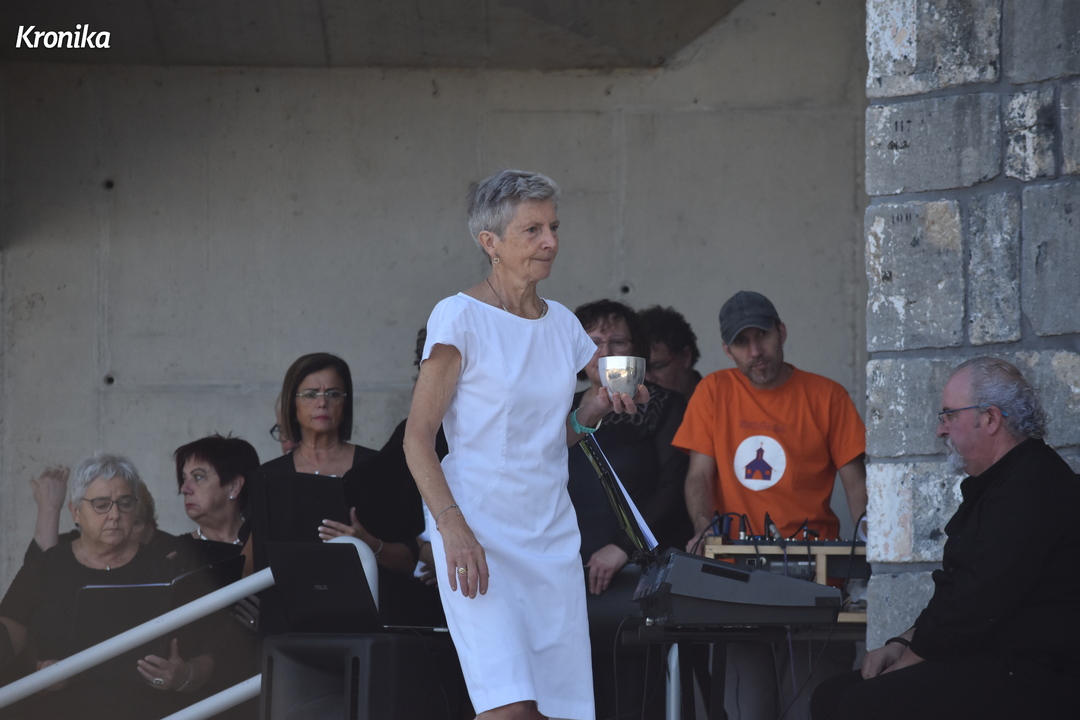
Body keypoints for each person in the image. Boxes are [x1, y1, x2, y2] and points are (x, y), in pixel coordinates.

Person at [403, 169, 648, 720]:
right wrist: (451, 529)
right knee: (508, 708)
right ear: (489, 242)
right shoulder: (459, 315)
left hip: (550, 534)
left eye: (554, 227)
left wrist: (596, 408)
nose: (550, 241)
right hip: (476, 532)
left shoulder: (563, 324)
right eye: (532, 230)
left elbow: (551, 436)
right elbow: (417, 440)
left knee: (555, 712)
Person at [811, 357, 1078, 719]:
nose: (940, 429)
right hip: (989, 660)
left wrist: (909, 660)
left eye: (949, 415)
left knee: (862, 704)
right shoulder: (999, 481)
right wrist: (903, 642)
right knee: (830, 696)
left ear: (990, 419)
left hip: (1033, 673)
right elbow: (956, 591)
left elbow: (977, 600)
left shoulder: (1033, 484)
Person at [673, 290, 868, 719]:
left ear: (782, 332)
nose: (755, 352)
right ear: (727, 349)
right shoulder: (713, 391)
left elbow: (858, 487)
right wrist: (705, 529)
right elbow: (698, 476)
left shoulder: (827, 396)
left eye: (762, 336)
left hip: (818, 584)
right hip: (737, 582)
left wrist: (875, 553)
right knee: (748, 709)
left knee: (813, 708)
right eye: (741, 342)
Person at [0, 454, 210, 719]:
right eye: (101, 505)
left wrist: (182, 676)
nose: (115, 515)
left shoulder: (164, 570)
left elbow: (209, 652)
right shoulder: (45, 567)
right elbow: (7, 644)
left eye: (125, 504)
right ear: (75, 511)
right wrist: (36, 671)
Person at [567, 299, 691, 720]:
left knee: (636, 697)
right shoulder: (558, 405)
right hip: (565, 570)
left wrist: (623, 546)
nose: (604, 352)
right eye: (593, 342)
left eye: (617, 342)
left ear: (636, 351)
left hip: (639, 573)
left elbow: (673, 486)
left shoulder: (664, 404)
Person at [247, 352, 425, 630]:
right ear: (292, 404)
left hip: (364, 626)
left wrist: (368, 543)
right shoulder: (268, 477)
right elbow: (252, 564)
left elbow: (408, 561)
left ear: (346, 403)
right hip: (288, 628)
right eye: (310, 394)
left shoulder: (375, 468)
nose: (322, 402)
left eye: (333, 393)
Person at [638, 305, 703, 399]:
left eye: (657, 366)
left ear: (686, 356)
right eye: (640, 371)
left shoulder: (718, 399)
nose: (647, 379)